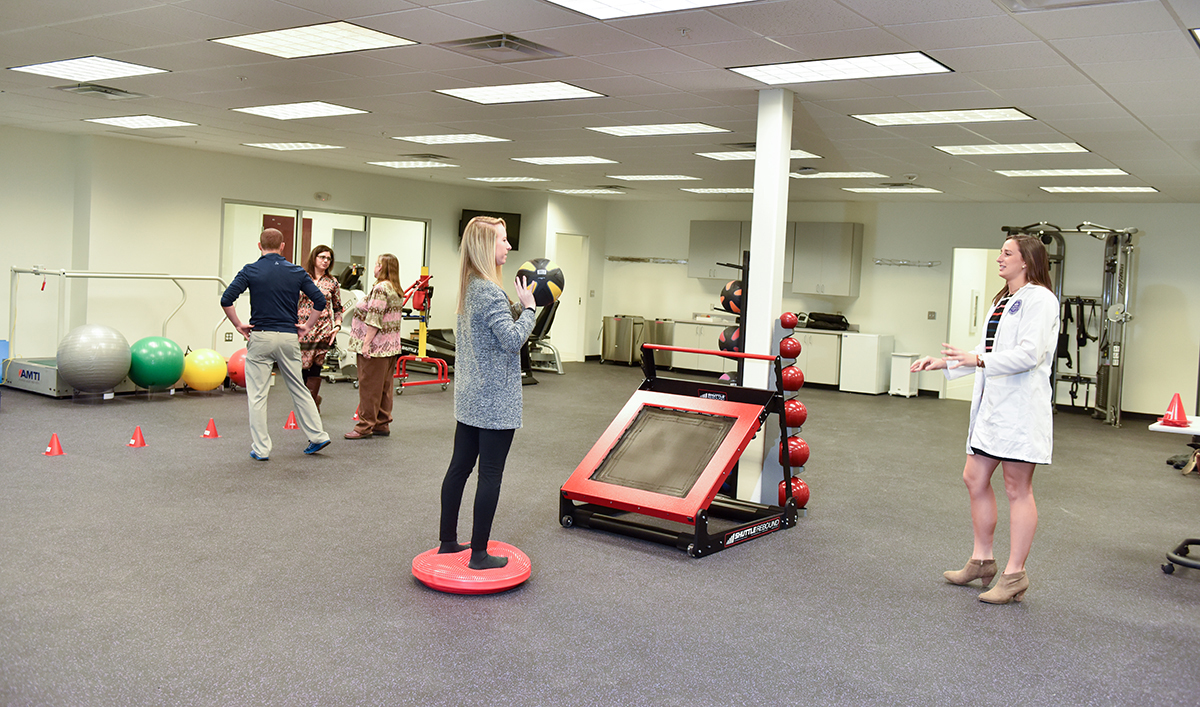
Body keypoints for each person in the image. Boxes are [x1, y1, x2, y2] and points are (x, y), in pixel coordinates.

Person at [911, 234, 1059, 604]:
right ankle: (981, 560)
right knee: (974, 477)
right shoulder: (1004, 299)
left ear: (1026, 260)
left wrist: (977, 360)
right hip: (993, 408)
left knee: (1016, 488)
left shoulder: (1040, 299)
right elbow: (989, 351)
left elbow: (1029, 354)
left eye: (1007, 253)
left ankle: (1014, 575)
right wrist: (946, 361)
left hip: (1021, 409)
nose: (999, 258)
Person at [437, 216, 536, 570]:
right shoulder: (489, 290)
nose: (508, 246)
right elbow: (511, 340)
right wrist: (530, 309)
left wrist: (515, 306)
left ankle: (448, 543)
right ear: (485, 246)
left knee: (459, 469)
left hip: (471, 399)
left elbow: (492, 332)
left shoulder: (471, 287)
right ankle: (479, 554)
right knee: (489, 475)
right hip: (494, 402)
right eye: (503, 240)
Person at [220, 228, 332, 461]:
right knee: (299, 388)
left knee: (258, 396)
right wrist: (307, 326)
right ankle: (318, 435)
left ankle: (261, 449)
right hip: (289, 337)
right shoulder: (296, 271)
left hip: (261, 336)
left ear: (259, 246)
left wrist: (239, 325)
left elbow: (226, 299)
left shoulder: (250, 270)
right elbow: (320, 300)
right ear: (283, 247)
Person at [344, 253, 406, 439]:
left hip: (375, 348)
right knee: (384, 388)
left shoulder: (380, 288)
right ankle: (381, 423)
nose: (375, 267)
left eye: (378, 264)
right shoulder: (395, 288)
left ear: (383, 268)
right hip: (389, 348)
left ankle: (364, 426)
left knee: (369, 388)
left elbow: (374, 319)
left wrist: (366, 345)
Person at [299, 245, 344, 412]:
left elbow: (338, 308)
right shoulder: (302, 278)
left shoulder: (332, 282)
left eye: (328, 258)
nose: (325, 261)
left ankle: (309, 407)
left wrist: (337, 325)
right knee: (302, 367)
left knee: (316, 367)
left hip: (323, 329)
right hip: (303, 328)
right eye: (322, 257)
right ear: (314, 258)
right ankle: (311, 400)